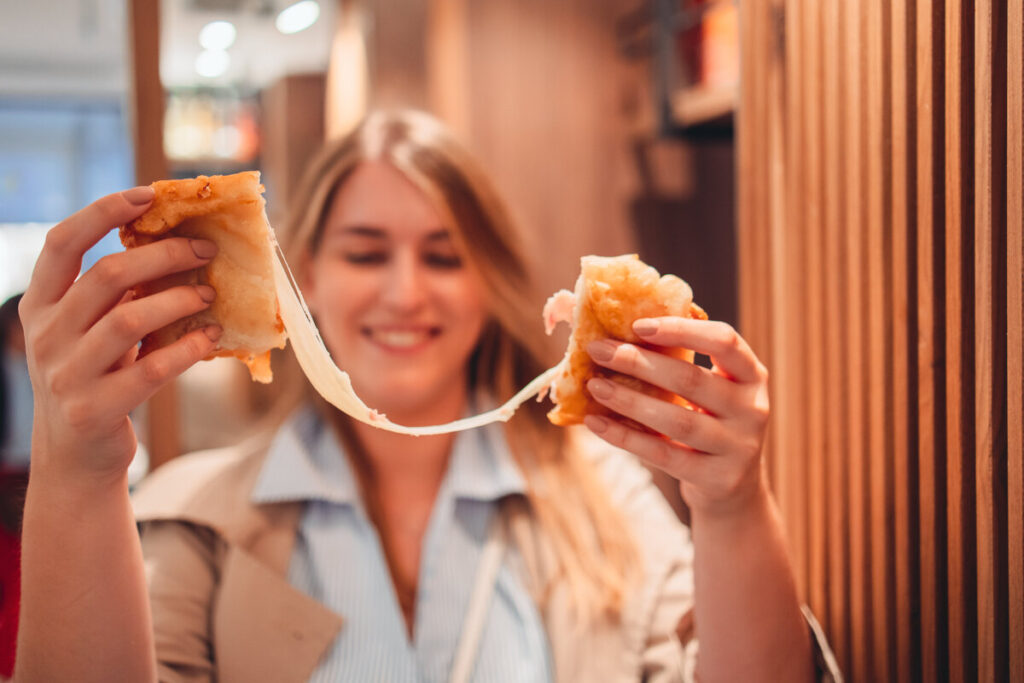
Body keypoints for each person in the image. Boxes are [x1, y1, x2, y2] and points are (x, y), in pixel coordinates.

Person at [14, 110, 839, 682]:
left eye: (444, 256)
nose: (407, 293)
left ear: (489, 282)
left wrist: (731, 504)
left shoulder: (605, 497)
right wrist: (76, 470)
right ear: (298, 277)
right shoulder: (193, 517)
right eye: (367, 253)